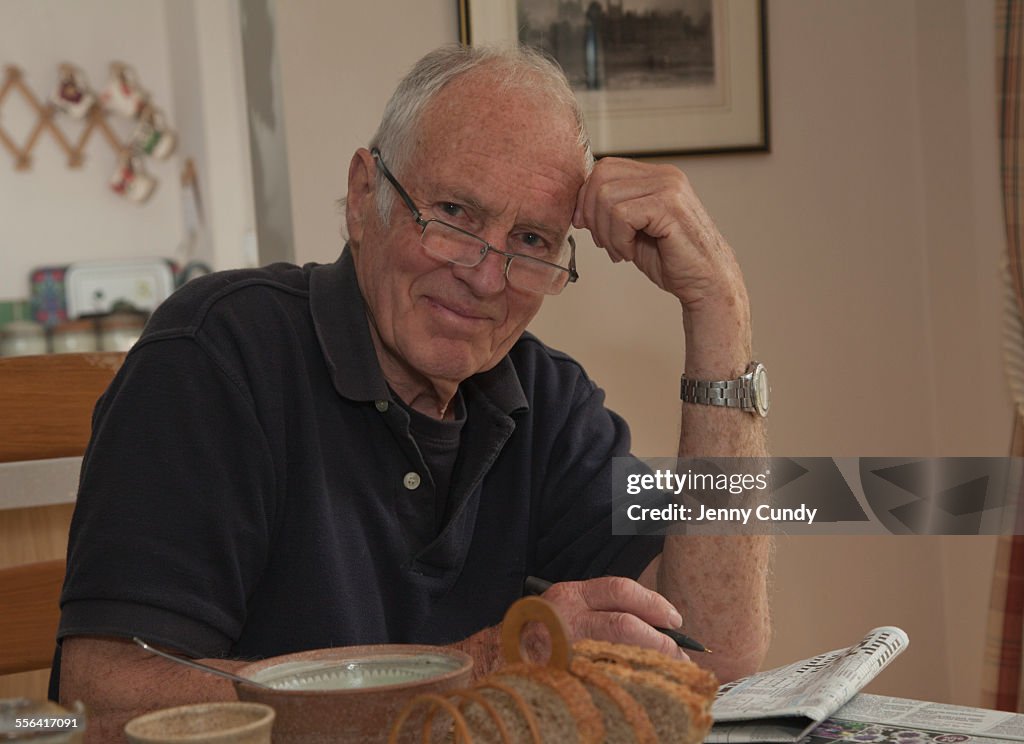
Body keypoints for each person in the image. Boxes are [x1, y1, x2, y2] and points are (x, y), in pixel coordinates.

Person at [55, 44, 771, 741]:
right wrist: (481, 665)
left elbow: (717, 645)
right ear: (365, 198)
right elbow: (105, 698)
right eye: (455, 214)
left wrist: (719, 310)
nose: (486, 277)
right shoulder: (217, 355)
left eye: (530, 239)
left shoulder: (547, 400)